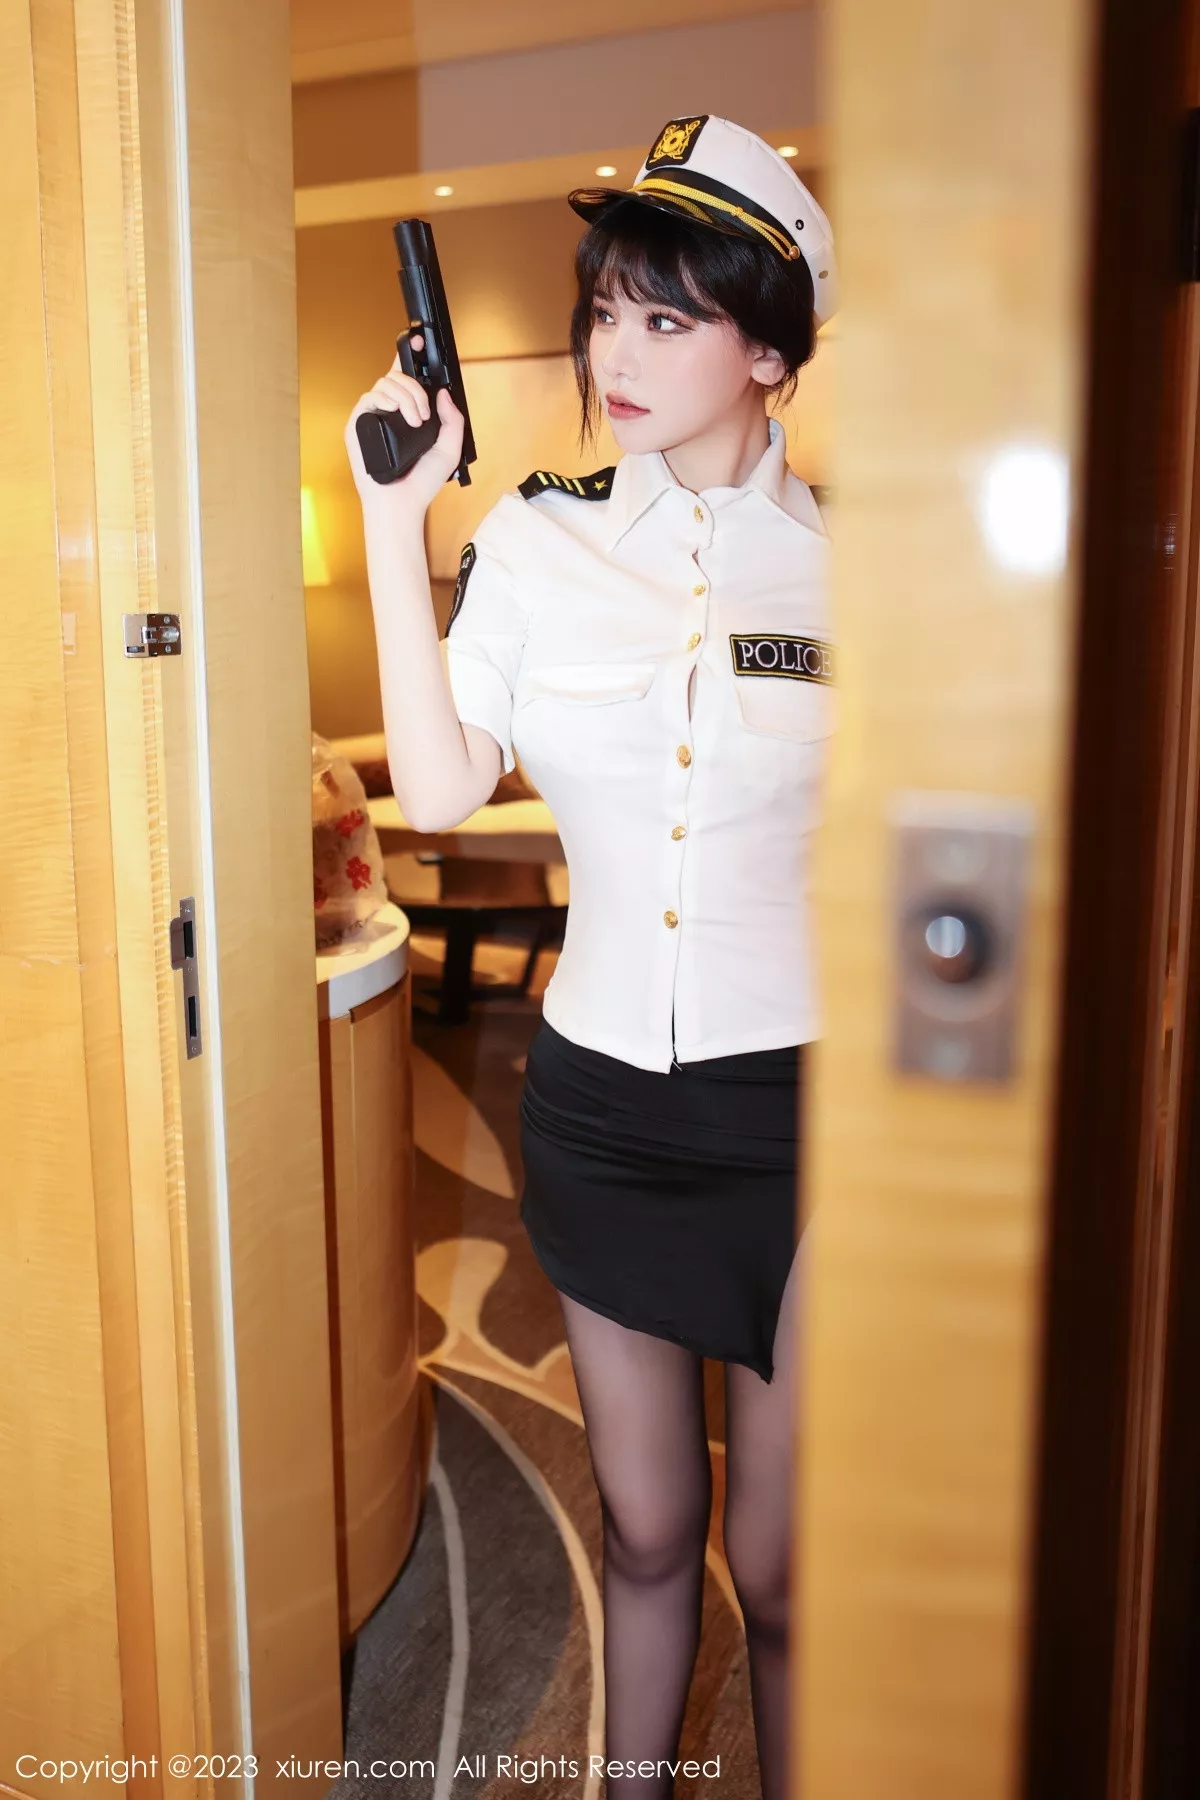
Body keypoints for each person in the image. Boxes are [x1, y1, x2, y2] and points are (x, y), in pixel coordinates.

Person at [344, 114, 836, 1800]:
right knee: (644, 1528)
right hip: (605, 1107)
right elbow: (436, 789)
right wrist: (393, 525)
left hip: (812, 1117)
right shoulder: (541, 541)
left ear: (767, 351)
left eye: (666, 317)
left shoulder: (865, 569)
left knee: (784, 1565)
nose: (614, 353)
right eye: (607, 311)